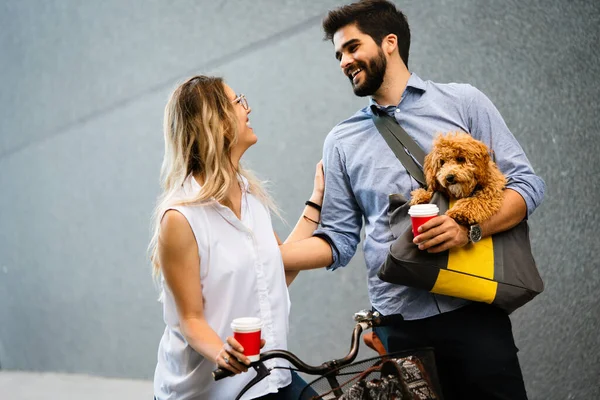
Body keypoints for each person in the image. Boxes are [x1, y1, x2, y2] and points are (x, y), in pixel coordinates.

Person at [280, 1, 546, 399]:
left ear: (390, 43)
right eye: (338, 54)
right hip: (399, 322)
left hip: (472, 309)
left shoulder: (463, 102)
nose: (343, 61)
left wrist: (466, 227)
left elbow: (526, 184)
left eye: (352, 48)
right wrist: (264, 258)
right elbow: (338, 239)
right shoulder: (341, 141)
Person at [149, 75, 323, 400]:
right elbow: (189, 318)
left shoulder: (250, 196)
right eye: (238, 101)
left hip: (270, 375)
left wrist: (317, 201)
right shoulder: (181, 218)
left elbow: (276, 271)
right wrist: (222, 353)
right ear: (216, 121)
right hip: (211, 392)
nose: (248, 107)